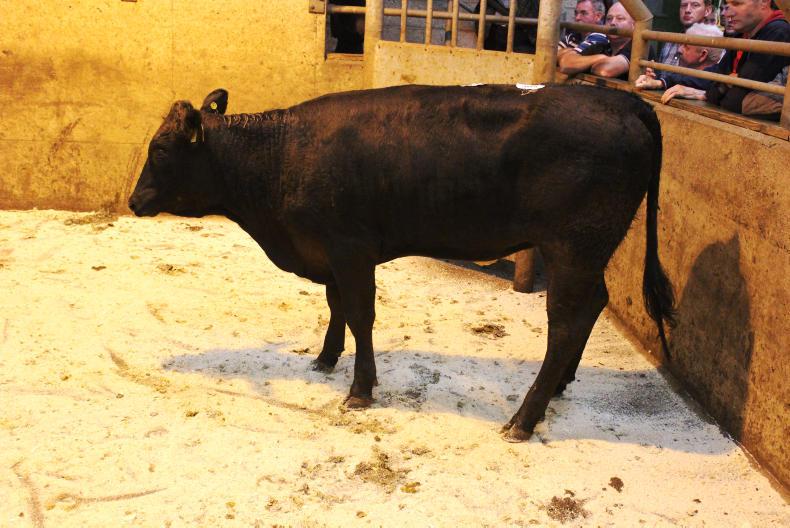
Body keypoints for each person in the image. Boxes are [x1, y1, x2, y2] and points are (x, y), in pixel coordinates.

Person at [660, 0, 789, 114]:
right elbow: (719, 74)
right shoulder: (744, 33)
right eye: (727, 4)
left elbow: (734, 100)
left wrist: (718, 88)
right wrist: (663, 82)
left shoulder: (779, 31)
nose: (727, 13)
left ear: (764, 2)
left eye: (737, 3)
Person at [635, 23, 725, 94]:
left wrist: (659, 83)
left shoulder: (717, 83)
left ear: (703, 55)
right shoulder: (680, 76)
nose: (679, 50)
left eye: (686, 47)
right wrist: (653, 80)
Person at [557, 2, 636, 79]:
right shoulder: (600, 46)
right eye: (609, 19)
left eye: (620, 18)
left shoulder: (635, 49)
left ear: (634, 25)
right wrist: (601, 57)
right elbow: (566, 64)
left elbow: (605, 70)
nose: (612, 22)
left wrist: (584, 64)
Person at [659, 0, 714, 66]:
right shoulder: (670, 43)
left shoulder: (715, 47)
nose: (687, 10)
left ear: (707, 11)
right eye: (684, 5)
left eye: (695, 5)